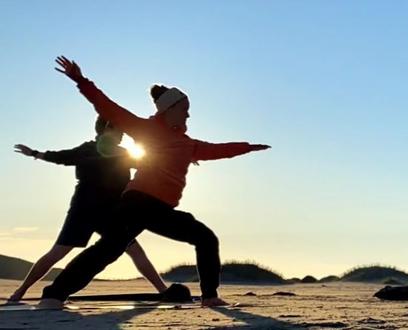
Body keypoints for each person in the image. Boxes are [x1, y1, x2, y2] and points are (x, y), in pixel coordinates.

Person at [38, 56, 271, 308]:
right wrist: (80, 80)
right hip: (138, 203)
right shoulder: (146, 129)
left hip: (159, 208)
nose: (188, 114)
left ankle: (210, 297)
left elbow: (218, 150)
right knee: (110, 249)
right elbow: (107, 107)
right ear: (168, 110)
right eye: (185, 109)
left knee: (201, 238)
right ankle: (54, 294)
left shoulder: (187, 144)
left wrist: (248, 147)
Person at [6, 118, 167, 302]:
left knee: (135, 250)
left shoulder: (124, 154)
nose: (123, 134)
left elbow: (150, 163)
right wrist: (35, 153)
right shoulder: (87, 149)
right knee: (57, 253)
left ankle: (163, 290)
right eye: (120, 129)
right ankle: (20, 291)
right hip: (84, 210)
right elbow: (62, 157)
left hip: (111, 212)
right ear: (108, 128)